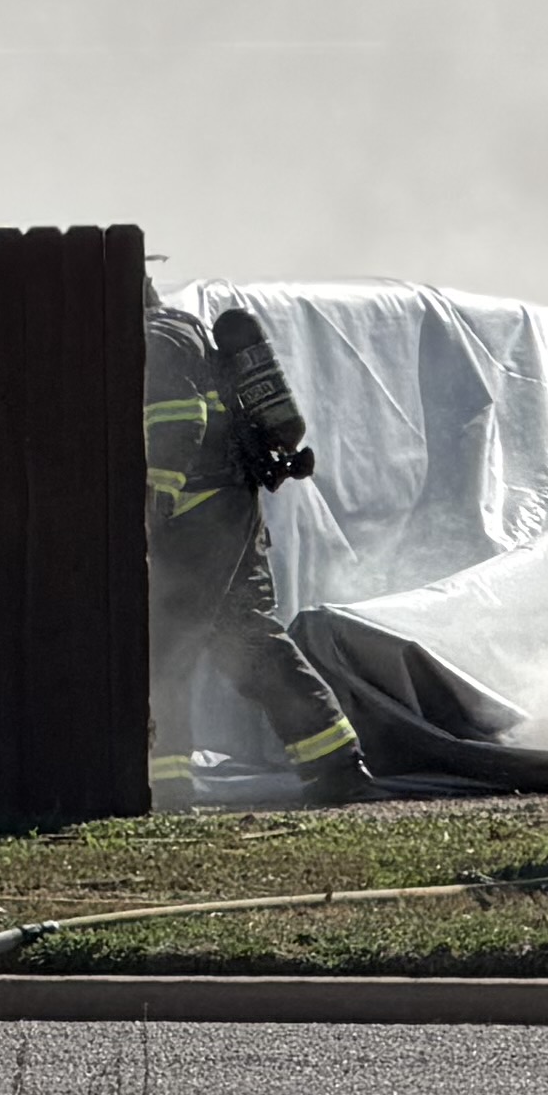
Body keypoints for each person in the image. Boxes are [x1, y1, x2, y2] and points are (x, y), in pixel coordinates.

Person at [145, 300, 373, 805]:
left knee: (165, 646)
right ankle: (336, 761)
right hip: (230, 510)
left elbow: (180, 419)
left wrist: (155, 496)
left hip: (196, 516)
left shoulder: (156, 340)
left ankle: (167, 784)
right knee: (247, 637)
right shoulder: (186, 330)